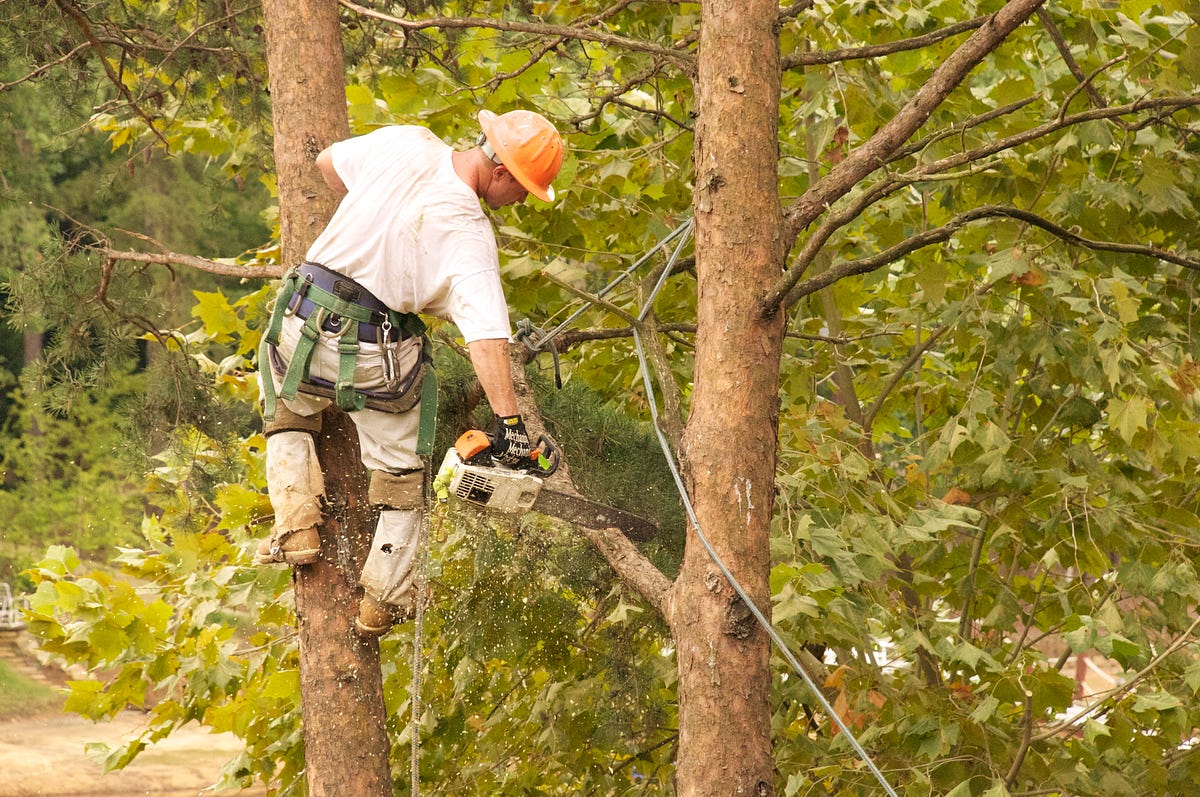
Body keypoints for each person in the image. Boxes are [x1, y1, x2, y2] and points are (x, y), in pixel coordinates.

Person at [254, 109, 565, 637]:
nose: (520, 204)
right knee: (401, 475)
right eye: (524, 192)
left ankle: (297, 526)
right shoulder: (469, 232)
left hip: (303, 319)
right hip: (376, 351)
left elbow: (329, 164)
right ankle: (383, 598)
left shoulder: (408, 142)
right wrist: (510, 427)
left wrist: (374, 227)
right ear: (503, 173)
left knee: (288, 402)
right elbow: (487, 341)